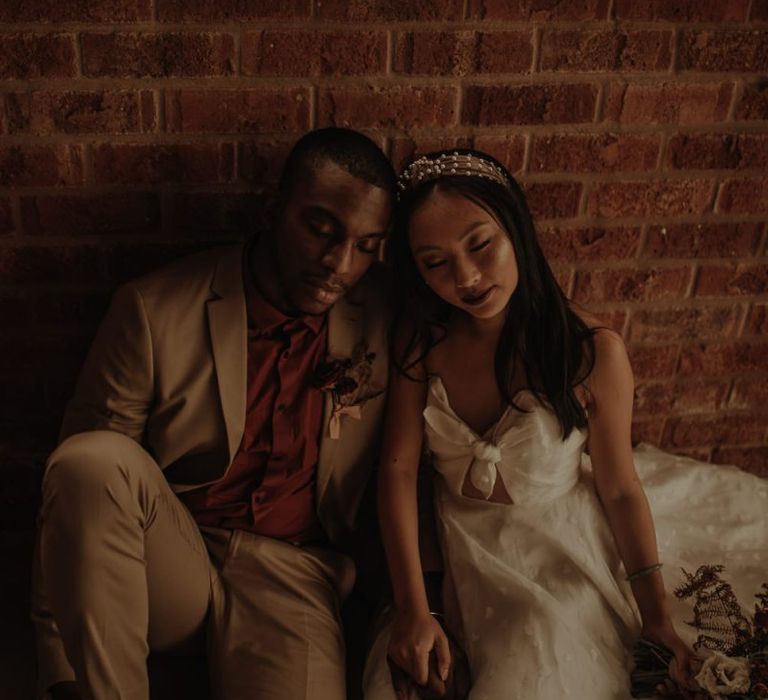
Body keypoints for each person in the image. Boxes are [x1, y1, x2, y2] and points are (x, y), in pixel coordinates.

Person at [32, 127, 396, 700]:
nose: (339, 264)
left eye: (367, 245)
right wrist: (61, 661)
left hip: (294, 574)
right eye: (321, 230)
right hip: (175, 560)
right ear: (273, 210)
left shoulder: (385, 319)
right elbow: (77, 500)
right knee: (92, 459)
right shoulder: (154, 309)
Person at [370, 148, 710, 700]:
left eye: (480, 244)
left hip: (554, 540)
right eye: (435, 262)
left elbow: (620, 489)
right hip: (457, 542)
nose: (467, 277)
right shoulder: (423, 341)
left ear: (517, 229)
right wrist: (414, 609)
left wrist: (657, 619)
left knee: (538, 654)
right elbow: (397, 470)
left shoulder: (590, 352)